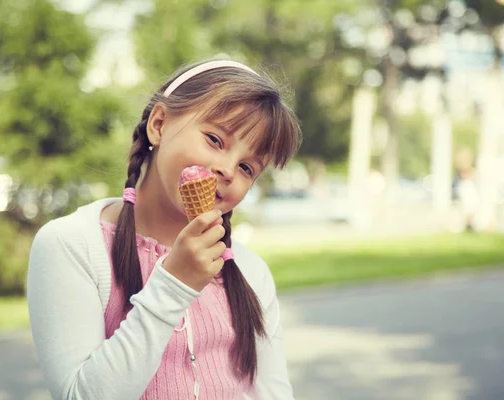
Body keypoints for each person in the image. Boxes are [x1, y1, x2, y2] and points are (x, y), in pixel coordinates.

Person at [26, 59, 302, 400]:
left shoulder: (248, 270)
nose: (229, 170)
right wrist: (174, 285)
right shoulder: (71, 245)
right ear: (159, 124)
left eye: (247, 167)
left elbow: (273, 392)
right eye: (215, 140)